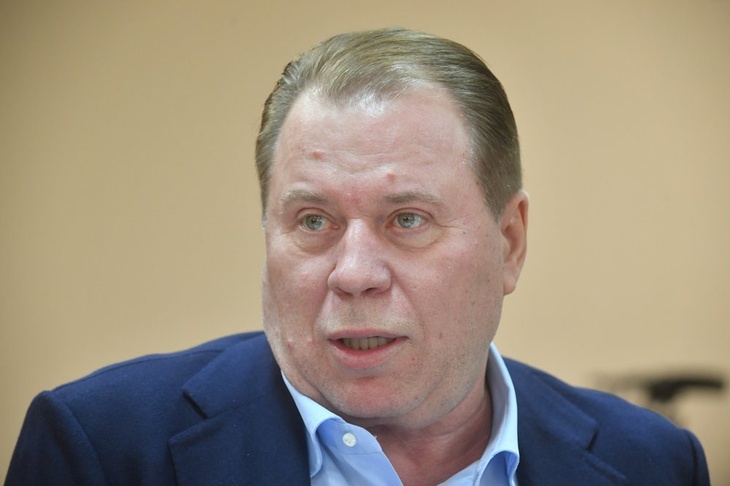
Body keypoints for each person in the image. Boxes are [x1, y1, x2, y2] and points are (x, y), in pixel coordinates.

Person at [7, 28, 709, 486]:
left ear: (509, 244)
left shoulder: (651, 463)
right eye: (313, 221)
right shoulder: (103, 449)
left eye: (407, 220)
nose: (353, 274)